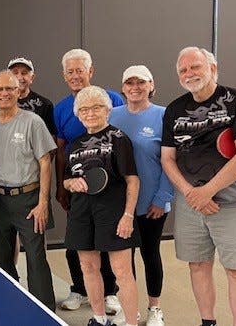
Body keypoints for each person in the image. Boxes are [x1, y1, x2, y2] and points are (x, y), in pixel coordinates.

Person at [161, 46, 236, 326]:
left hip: (231, 200)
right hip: (190, 201)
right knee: (197, 265)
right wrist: (190, 193)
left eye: (195, 66)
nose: (189, 73)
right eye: (183, 70)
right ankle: (207, 322)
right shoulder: (174, 109)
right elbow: (167, 159)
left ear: (213, 68)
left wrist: (207, 192)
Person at [0, 70, 57, 311]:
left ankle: (44, 311)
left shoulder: (33, 122)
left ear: (18, 91)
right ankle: (8, 306)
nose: (4, 93)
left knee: (35, 259)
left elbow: (45, 162)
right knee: (1, 259)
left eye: (9, 89)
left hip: (29, 199)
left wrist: (43, 202)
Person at [54, 48, 123, 313]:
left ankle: (110, 292)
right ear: (64, 75)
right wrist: (62, 186)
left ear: (90, 71)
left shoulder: (113, 99)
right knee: (76, 240)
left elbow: (121, 141)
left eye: (79, 70)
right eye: (70, 71)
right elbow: (61, 151)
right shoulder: (61, 109)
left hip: (110, 188)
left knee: (107, 240)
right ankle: (79, 289)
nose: (75, 76)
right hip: (77, 188)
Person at [64, 85, 140, 326]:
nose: (90, 113)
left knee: (122, 271)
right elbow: (66, 179)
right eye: (84, 109)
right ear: (78, 113)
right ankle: (98, 318)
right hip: (82, 212)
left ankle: (130, 322)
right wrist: (71, 183)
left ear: (107, 109)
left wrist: (128, 215)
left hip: (112, 211)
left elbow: (132, 180)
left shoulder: (118, 138)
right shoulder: (74, 144)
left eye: (96, 107)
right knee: (88, 266)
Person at [110, 65, 174, 326]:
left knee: (150, 253)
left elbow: (171, 161)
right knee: (125, 259)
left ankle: (154, 308)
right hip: (120, 203)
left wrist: (162, 198)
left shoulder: (163, 115)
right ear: (123, 87)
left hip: (151, 203)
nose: (135, 87)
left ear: (151, 85)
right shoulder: (112, 115)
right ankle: (131, 309)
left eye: (141, 82)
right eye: (129, 83)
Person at [0, 57, 57, 136]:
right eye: (15, 73)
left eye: (24, 73)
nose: (19, 77)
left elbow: (51, 137)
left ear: (32, 77)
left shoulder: (44, 104)